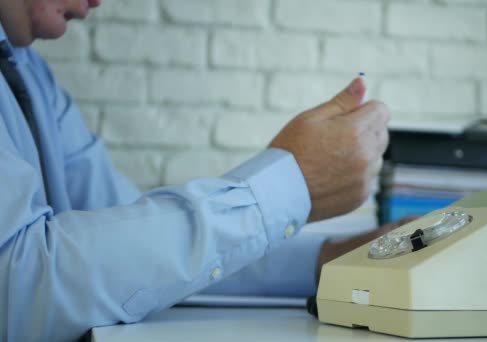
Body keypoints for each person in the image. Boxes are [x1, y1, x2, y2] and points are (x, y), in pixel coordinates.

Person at [0, 1, 394, 340]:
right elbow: (16, 290)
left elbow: (124, 234)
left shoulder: (30, 74)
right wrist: (288, 185)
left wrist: (331, 258)